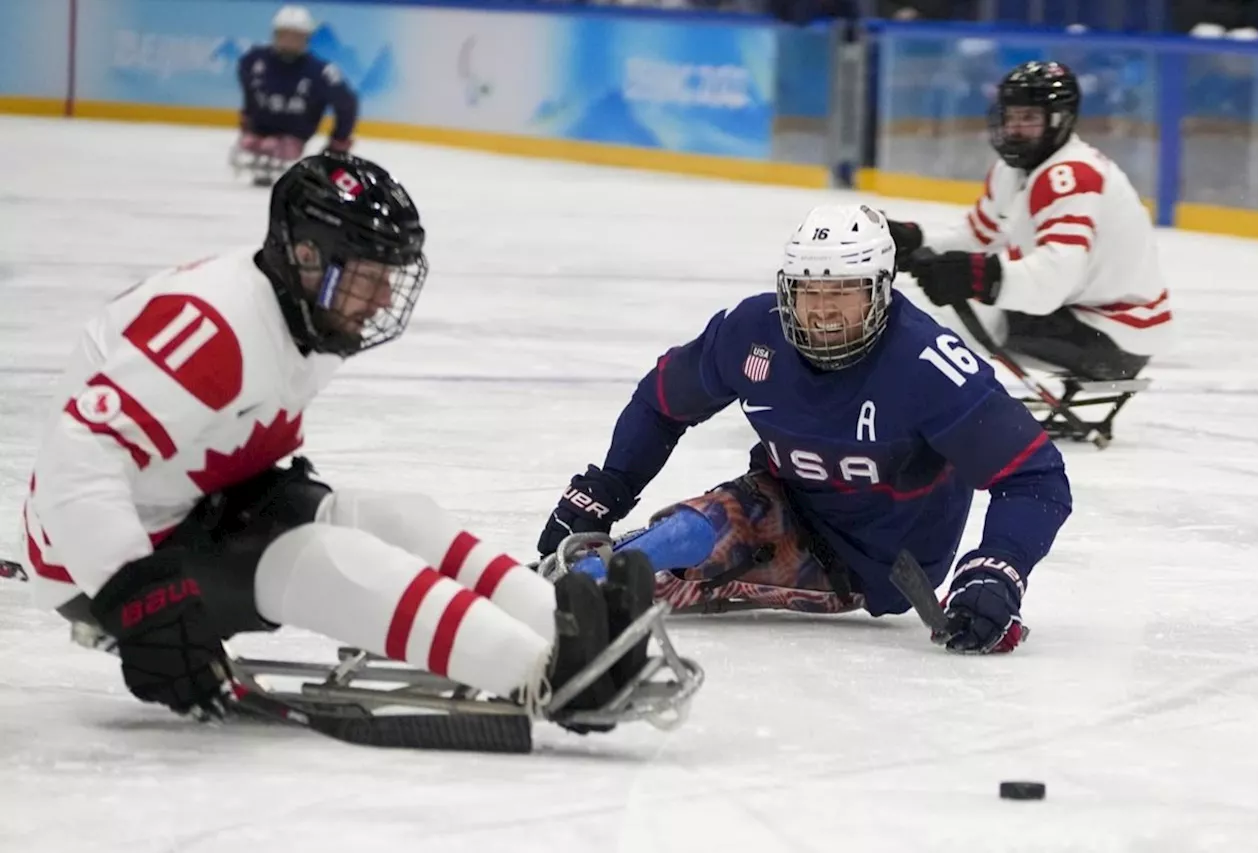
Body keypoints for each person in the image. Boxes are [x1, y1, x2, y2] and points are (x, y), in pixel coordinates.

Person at [19, 152, 655, 729]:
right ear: (306, 257)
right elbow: (79, 453)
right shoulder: (216, 329)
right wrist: (139, 596)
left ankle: (572, 628)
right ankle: (543, 674)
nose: (382, 300)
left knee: (402, 519)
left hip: (197, 503)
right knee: (325, 563)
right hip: (102, 563)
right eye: (370, 276)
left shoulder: (305, 312)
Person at [537, 204, 1073, 655]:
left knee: (682, 554)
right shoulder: (751, 332)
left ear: (882, 290)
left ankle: (582, 583)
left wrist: (998, 567)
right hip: (777, 503)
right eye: (807, 291)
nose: (821, 312)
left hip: (879, 567)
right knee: (687, 535)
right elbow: (661, 402)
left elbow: (1035, 477)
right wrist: (606, 490)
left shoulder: (930, 367)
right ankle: (568, 587)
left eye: (843, 292)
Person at [888, 60, 1173, 383]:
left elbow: (1052, 282)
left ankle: (928, 408)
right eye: (1011, 116)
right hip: (1084, 317)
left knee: (936, 323)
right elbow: (977, 238)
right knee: (939, 314)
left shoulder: (1071, 177)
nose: (1015, 128)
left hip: (1114, 338)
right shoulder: (1015, 171)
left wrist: (977, 276)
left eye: (1029, 118)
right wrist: (915, 240)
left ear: (1060, 120)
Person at [233, 5, 359, 186]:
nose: (289, 41)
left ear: (306, 39)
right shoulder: (253, 61)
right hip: (260, 128)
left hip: (295, 132)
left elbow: (346, 102)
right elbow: (250, 90)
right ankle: (261, 137)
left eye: (296, 36)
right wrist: (247, 117)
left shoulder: (321, 72)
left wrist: (338, 141)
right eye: (284, 35)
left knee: (275, 146)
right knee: (254, 142)